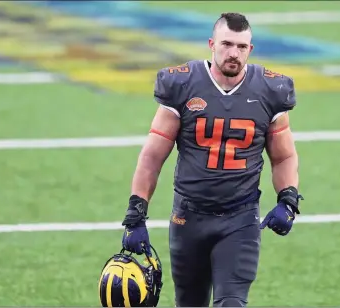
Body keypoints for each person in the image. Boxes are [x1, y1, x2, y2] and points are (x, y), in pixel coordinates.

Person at [120, 12, 303, 307]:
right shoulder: (183, 84)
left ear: (250, 50)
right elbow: (153, 156)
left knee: (231, 302)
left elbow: (283, 156)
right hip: (187, 217)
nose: (234, 54)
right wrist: (135, 213)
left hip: (240, 219)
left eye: (242, 47)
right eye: (227, 44)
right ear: (211, 44)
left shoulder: (271, 91)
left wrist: (288, 198)